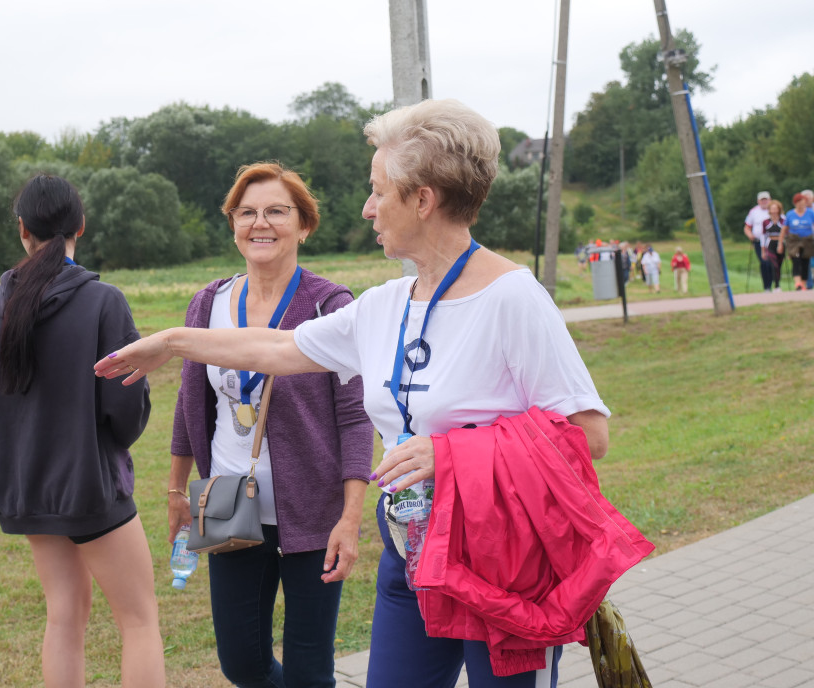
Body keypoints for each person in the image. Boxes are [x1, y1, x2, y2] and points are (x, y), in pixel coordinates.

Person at [95, 99, 612, 688]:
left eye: (378, 191)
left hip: (503, 559)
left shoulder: (513, 298)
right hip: (410, 556)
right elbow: (279, 350)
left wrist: (450, 454)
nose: (367, 209)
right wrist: (173, 341)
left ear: (422, 199)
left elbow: (587, 434)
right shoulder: (386, 304)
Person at [166, 162, 372, 688]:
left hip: (314, 512)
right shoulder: (207, 304)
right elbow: (190, 404)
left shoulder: (329, 306)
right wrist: (175, 490)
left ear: (303, 225)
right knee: (242, 663)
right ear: (233, 224)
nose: (261, 223)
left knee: (308, 667)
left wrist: (350, 519)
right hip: (228, 500)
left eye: (277, 211)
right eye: (247, 212)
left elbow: (354, 420)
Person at [0, 174, 163, 688]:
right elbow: (125, 411)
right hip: (92, 488)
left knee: (63, 615)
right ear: (81, 225)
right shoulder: (103, 301)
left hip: (32, 487)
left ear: (21, 229)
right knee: (139, 621)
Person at [777, 192, 814, 291]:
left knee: (805, 262)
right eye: (798, 203)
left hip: (807, 240)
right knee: (796, 260)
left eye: (802, 203)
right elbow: (784, 229)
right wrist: (780, 243)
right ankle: (797, 283)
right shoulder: (790, 214)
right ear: (795, 203)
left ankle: (803, 284)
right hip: (794, 240)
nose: (801, 205)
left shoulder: (811, 213)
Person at [744, 191, 773, 292]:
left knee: (772, 263)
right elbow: (747, 227)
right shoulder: (753, 211)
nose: (764, 201)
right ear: (758, 201)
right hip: (758, 241)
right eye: (762, 200)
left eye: (766, 199)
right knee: (764, 262)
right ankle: (767, 287)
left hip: (772, 241)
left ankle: (774, 284)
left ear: (770, 200)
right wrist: (750, 235)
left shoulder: (774, 209)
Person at [761, 199, 785, 292]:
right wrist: (763, 250)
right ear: (769, 210)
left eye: (776, 209)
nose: (774, 211)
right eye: (772, 209)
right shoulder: (766, 222)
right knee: (774, 264)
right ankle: (776, 285)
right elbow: (763, 236)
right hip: (770, 243)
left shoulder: (783, 220)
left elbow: (786, 233)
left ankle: (777, 284)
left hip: (781, 243)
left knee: (779, 264)